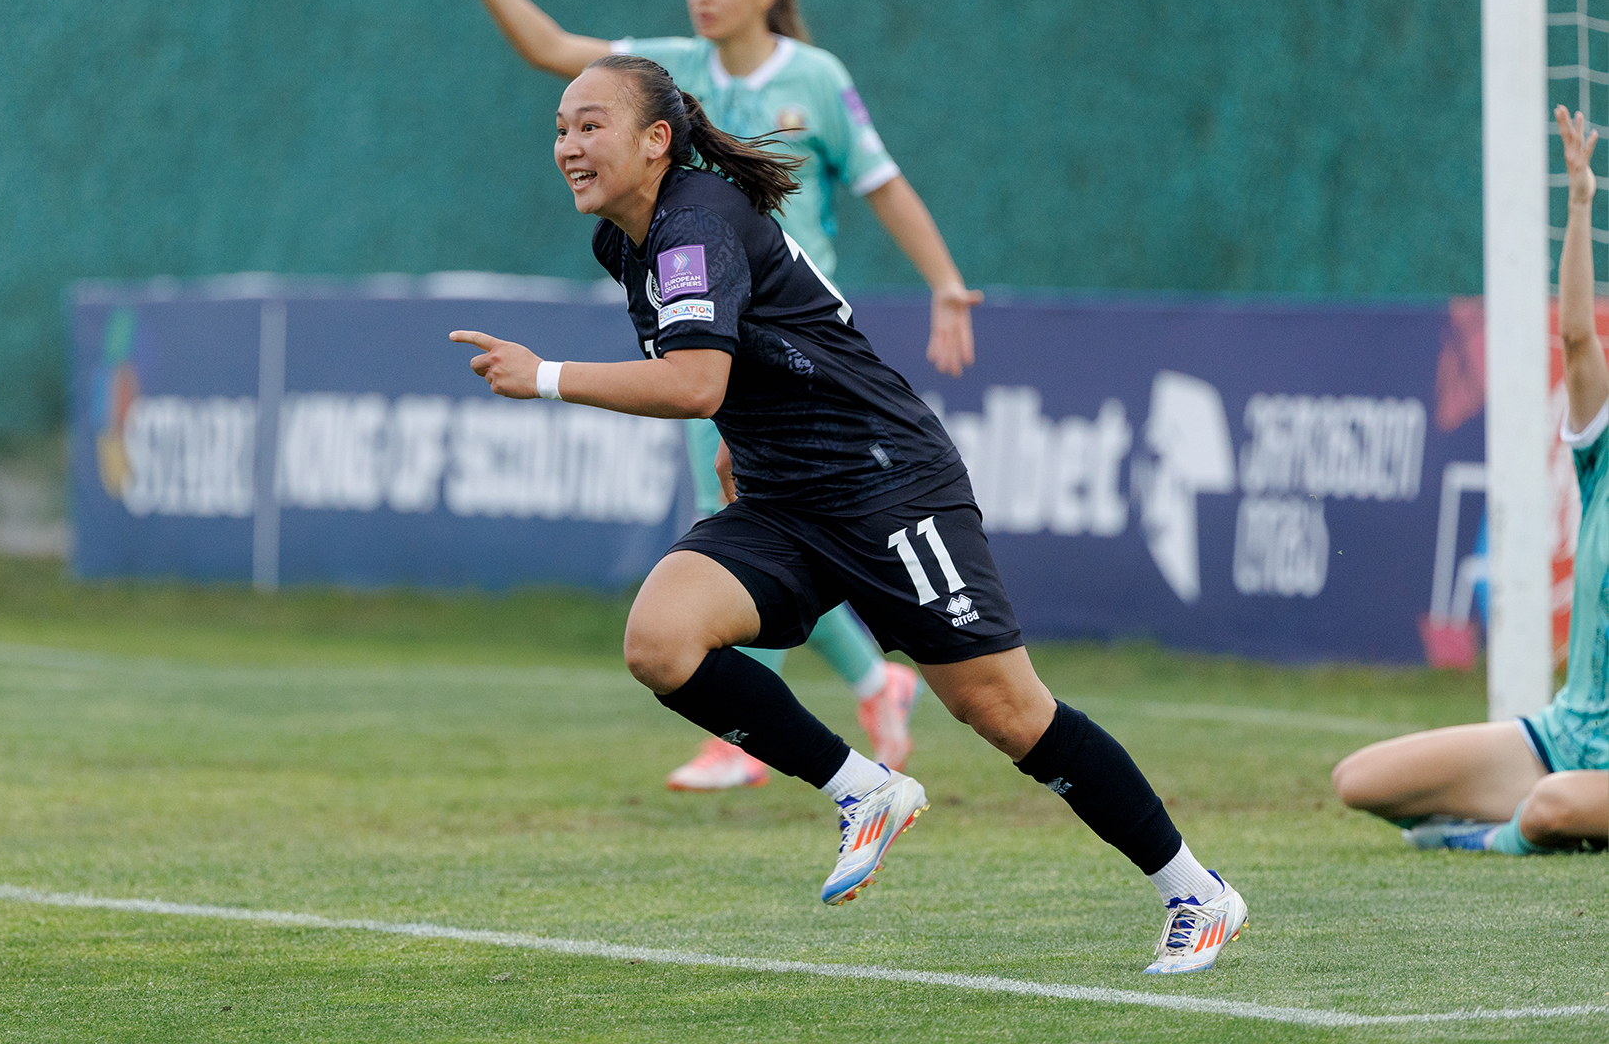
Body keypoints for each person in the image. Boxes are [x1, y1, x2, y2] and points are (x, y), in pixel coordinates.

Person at [450, 55, 1248, 974]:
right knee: (660, 641)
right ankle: (861, 788)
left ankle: (1197, 892)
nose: (568, 146)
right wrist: (739, 437)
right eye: (561, 128)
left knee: (1004, 712)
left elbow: (695, 379)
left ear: (656, 139)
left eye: (591, 126)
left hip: (886, 485)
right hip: (785, 496)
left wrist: (545, 377)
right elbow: (739, 359)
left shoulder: (695, 221)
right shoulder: (627, 239)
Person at [452, 0, 983, 789]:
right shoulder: (664, 69)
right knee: (743, 531)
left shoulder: (815, 77)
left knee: (747, 534)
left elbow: (883, 184)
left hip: (786, 344)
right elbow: (550, 46)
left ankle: (781, 727)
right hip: (714, 337)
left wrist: (945, 283)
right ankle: (864, 692)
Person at [1331, 107, 1609, 855]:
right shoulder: (1602, 457)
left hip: (1576, 781)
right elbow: (1576, 337)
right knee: (1360, 780)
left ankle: (1486, 840)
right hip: (1566, 734)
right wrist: (1581, 203)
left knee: (1551, 806)